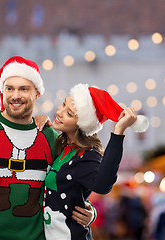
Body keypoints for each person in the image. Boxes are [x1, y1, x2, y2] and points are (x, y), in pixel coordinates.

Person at [0, 56, 95, 240]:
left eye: (23, 89)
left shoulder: (51, 138)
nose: (15, 95)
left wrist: (89, 212)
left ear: (37, 93)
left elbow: (69, 185)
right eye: (10, 88)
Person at [35, 83, 149, 240]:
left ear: (81, 124)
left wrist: (118, 132)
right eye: (63, 104)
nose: (59, 112)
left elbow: (102, 185)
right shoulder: (62, 147)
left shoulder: (87, 155)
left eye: (69, 113)